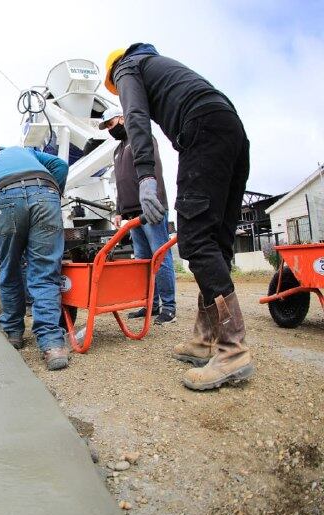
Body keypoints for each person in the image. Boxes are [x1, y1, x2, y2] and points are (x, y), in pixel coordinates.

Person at [105, 43, 253, 390]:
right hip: (231, 129)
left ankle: (232, 350)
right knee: (215, 242)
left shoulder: (128, 68)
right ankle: (205, 338)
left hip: (201, 130)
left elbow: (137, 119)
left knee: (196, 241)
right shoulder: (162, 66)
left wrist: (145, 176)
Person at [0, 146, 69, 370]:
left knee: (10, 269)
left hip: (3, 200)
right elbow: (60, 166)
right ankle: (52, 344)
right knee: (45, 273)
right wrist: (54, 195)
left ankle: (13, 333)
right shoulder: (27, 152)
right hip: (46, 194)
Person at [99, 107, 177, 325]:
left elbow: (151, 170)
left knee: (160, 257)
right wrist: (118, 211)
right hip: (131, 214)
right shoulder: (117, 151)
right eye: (106, 127)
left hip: (150, 208)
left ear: (123, 119)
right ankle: (149, 304)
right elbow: (121, 183)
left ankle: (169, 307)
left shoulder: (142, 138)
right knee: (143, 260)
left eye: (111, 123)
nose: (109, 129)